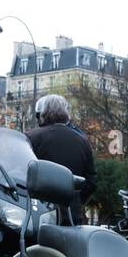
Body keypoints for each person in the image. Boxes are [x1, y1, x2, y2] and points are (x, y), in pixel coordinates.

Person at [26, 94, 96, 224]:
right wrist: (76, 200)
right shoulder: (82, 140)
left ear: (42, 113)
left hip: (39, 213)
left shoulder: (31, 137)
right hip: (71, 213)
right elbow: (91, 182)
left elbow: (22, 172)